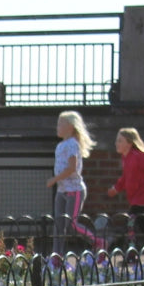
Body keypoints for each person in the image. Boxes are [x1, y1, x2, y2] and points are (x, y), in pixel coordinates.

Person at [46, 110, 103, 256]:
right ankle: (56, 257)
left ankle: (97, 241)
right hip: (61, 191)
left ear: (70, 126)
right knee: (58, 225)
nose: (57, 127)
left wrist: (54, 179)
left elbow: (71, 168)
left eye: (60, 124)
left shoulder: (73, 144)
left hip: (74, 190)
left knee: (71, 224)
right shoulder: (60, 145)